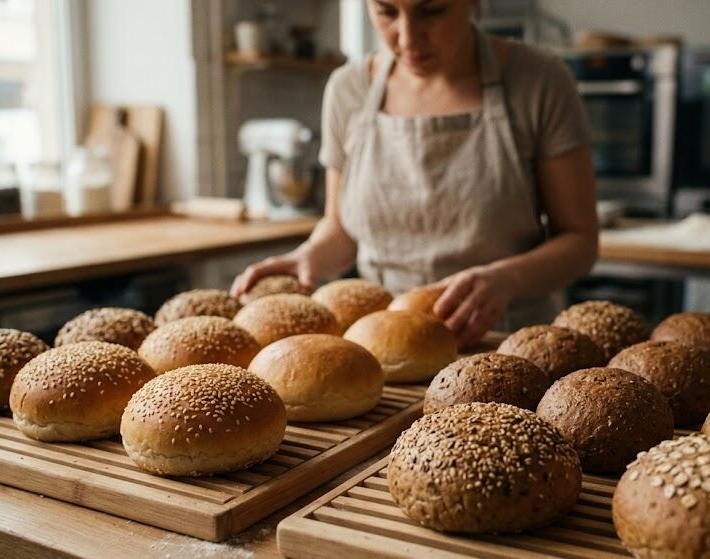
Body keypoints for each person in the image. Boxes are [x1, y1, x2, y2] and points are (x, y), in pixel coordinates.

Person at [231, 0, 598, 347]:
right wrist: (308, 257)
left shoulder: (539, 81)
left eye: (432, 11)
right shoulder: (349, 89)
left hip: (506, 342)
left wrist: (504, 281)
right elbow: (341, 227)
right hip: (382, 345)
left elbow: (579, 240)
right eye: (386, 11)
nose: (406, 38)